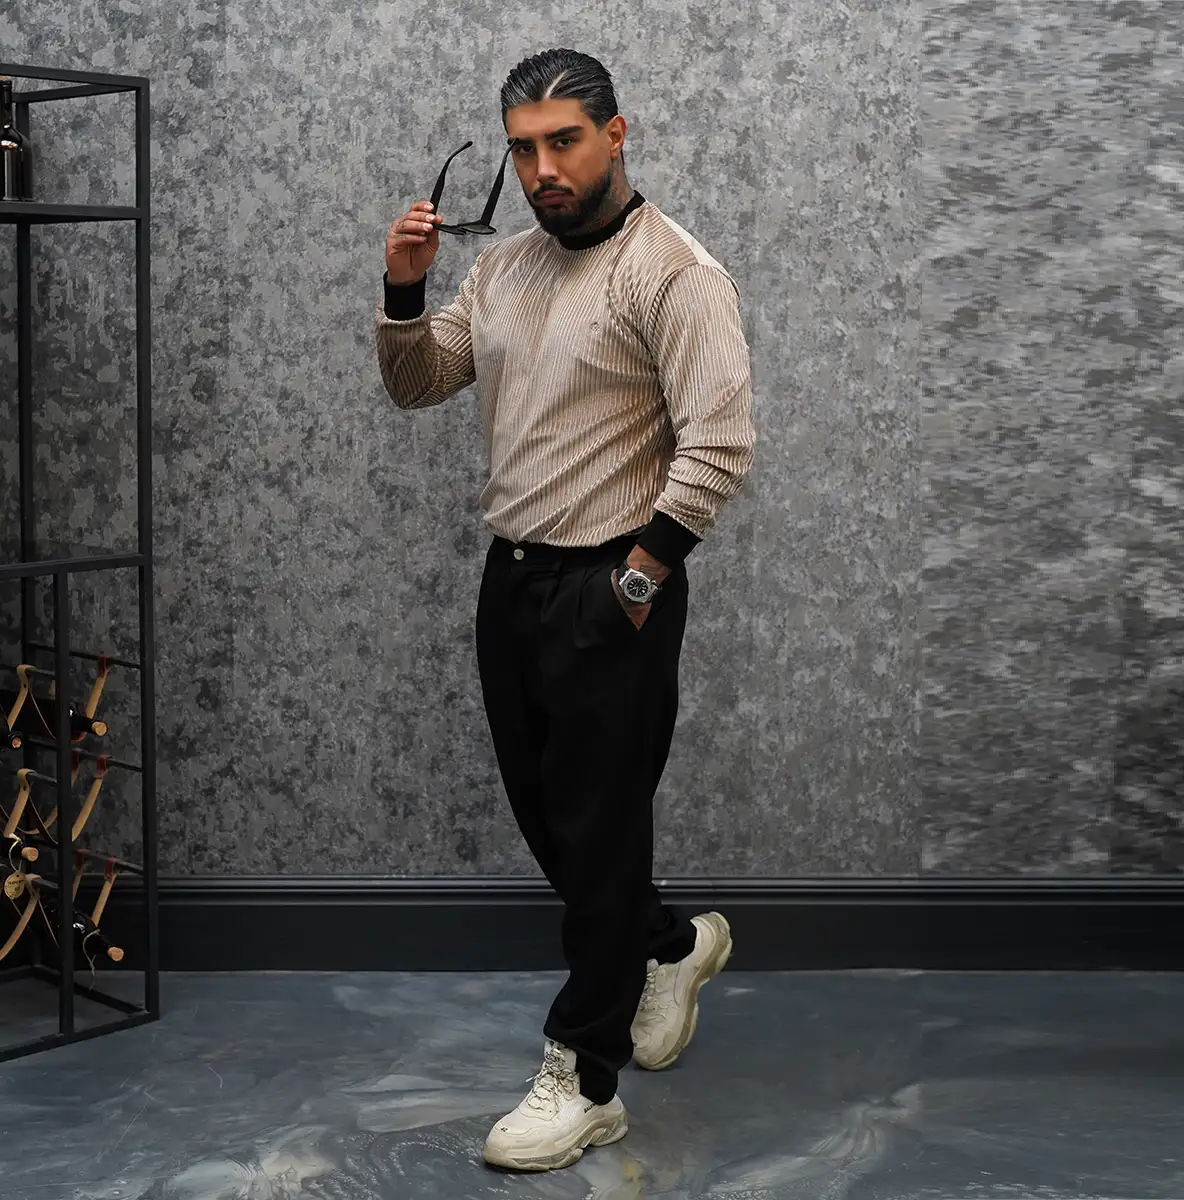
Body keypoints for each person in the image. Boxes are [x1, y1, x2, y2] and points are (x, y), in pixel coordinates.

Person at [375, 48, 755, 1173]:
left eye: (564, 142)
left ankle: (585, 1074)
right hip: (513, 579)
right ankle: (669, 944)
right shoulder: (503, 270)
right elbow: (418, 383)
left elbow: (720, 446)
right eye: (524, 148)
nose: (543, 168)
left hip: (613, 584)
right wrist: (405, 286)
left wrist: (635, 584)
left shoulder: (676, 272)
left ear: (615, 135)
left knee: (599, 826)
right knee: (557, 822)